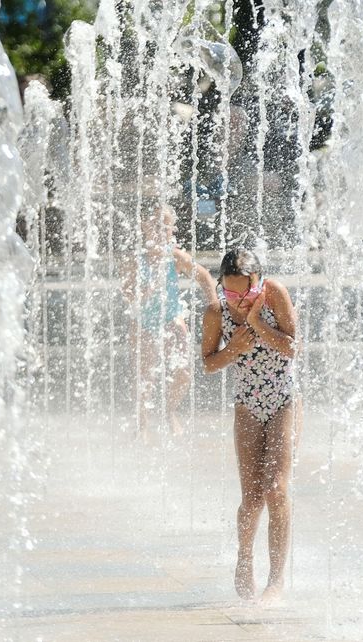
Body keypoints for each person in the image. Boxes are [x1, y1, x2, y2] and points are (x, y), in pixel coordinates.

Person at [200, 248, 299, 604]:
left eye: (247, 292)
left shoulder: (275, 295)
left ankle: (276, 580)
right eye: (231, 293)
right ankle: (244, 560)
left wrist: (258, 325)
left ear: (260, 282)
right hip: (247, 405)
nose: (239, 301)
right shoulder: (216, 312)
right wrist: (233, 349)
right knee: (253, 497)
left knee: (277, 490)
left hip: (283, 400)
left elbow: (292, 347)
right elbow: (208, 363)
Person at [122, 203, 215, 440]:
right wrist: (147, 291)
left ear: (172, 230)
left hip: (172, 317)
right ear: (144, 227)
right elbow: (128, 294)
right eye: (156, 225)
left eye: (167, 227)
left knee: (184, 373)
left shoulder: (175, 257)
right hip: (144, 321)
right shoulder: (135, 260)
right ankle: (142, 424)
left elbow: (205, 277)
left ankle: (168, 410)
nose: (162, 231)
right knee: (144, 378)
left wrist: (215, 306)